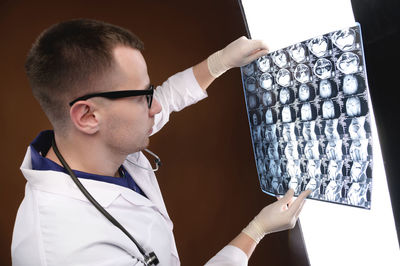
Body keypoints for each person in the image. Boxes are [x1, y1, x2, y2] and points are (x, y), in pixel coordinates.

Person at [11, 19, 311, 266]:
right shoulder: (68, 250)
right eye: (143, 97)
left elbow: (165, 98)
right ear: (88, 116)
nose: (155, 108)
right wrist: (255, 232)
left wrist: (220, 62)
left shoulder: (100, 139)